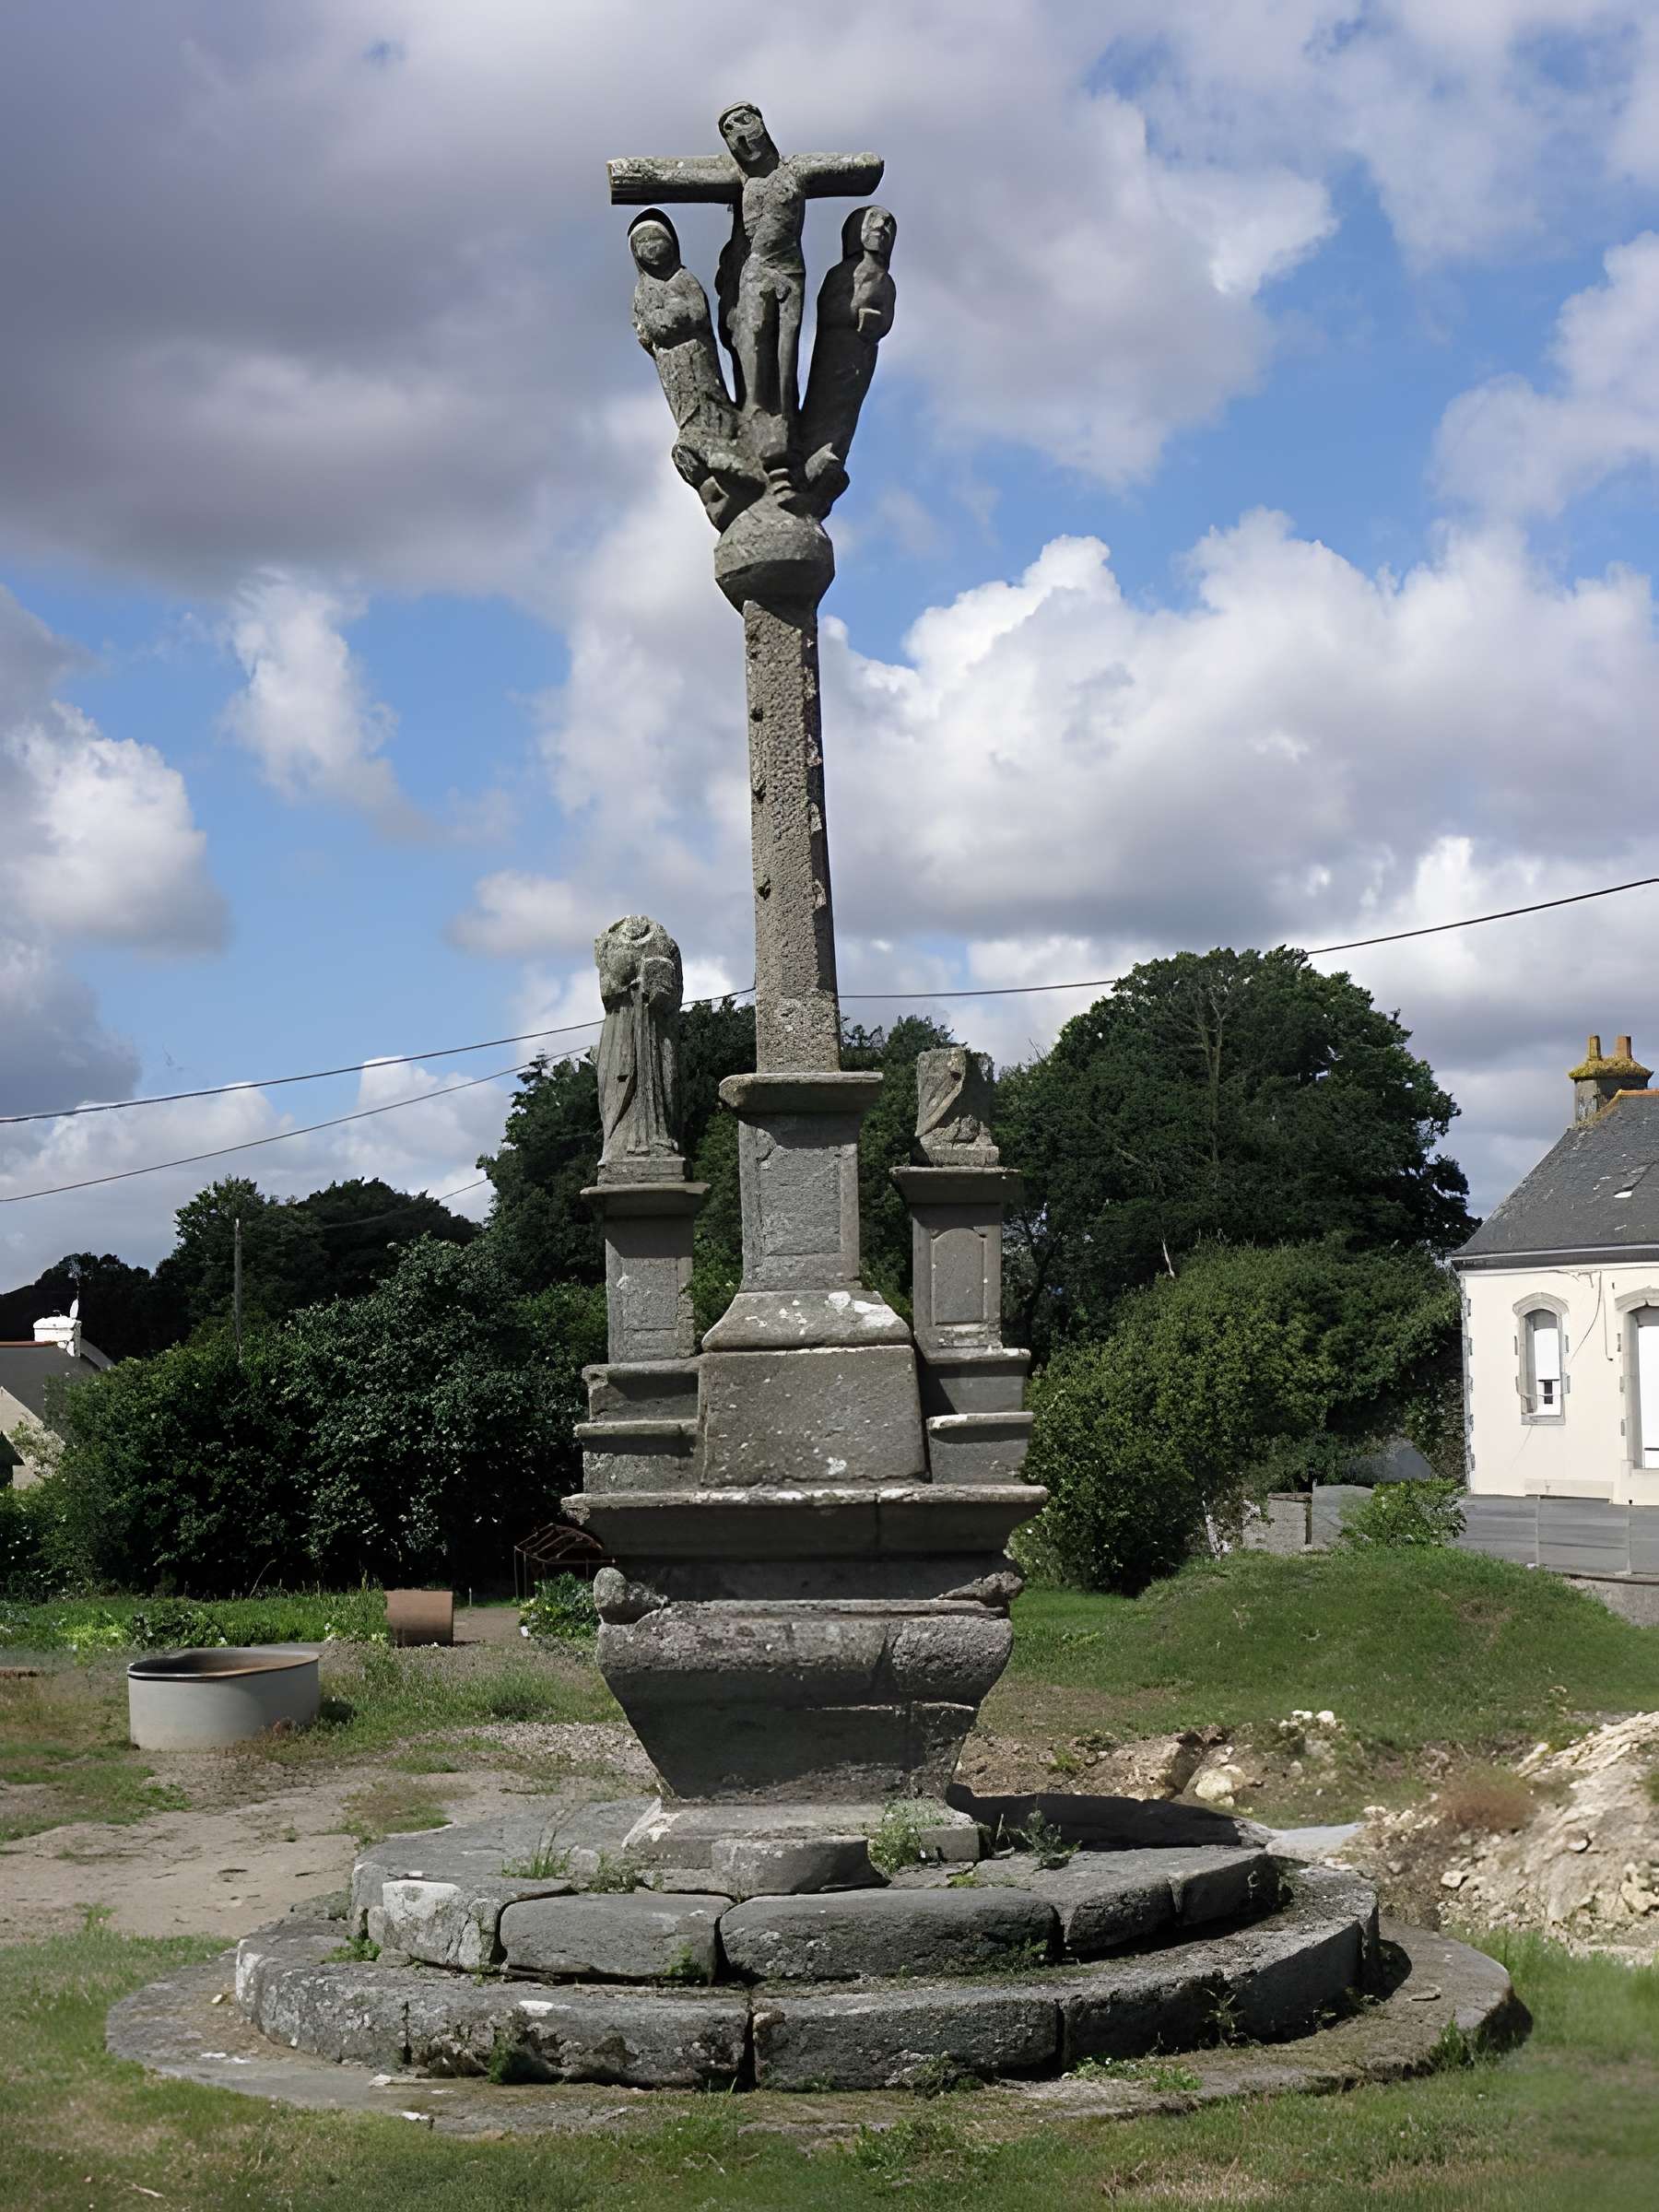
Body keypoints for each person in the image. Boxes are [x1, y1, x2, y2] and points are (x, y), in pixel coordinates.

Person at [629, 209, 759, 528]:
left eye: (656, 239)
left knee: (710, 397)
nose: (651, 247)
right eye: (642, 243)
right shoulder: (643, 291)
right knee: (687, 411)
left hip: (699, 355)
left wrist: (671, 321)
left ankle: (724, 437)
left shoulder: (683, 279)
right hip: (672, 365)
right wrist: (672, 321)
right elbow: (653, 329)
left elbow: (696, 313)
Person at [801, 204, 897, 512]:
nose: (880, 230)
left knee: (849, 407)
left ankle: (834, 453)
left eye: (887, 227)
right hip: (838, 347)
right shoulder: (844, 273)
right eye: (873, 224)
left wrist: (876, 323)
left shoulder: (886, 280)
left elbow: (888, 318)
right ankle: (815, 451)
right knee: (828, 399)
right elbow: (829, 308)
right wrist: (857, 315)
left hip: (864, 352)